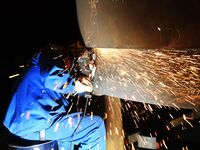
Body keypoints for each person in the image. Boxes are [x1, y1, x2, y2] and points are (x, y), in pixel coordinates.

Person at [3, 44, 106, 150]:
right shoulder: (53, 52)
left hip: (29, 124)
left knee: (68, 134)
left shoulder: (62, 69)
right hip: (33, 123)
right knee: (94, 127)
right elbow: (52, 78)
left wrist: (85, 85)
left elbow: (64, 90)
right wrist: (75, 84)